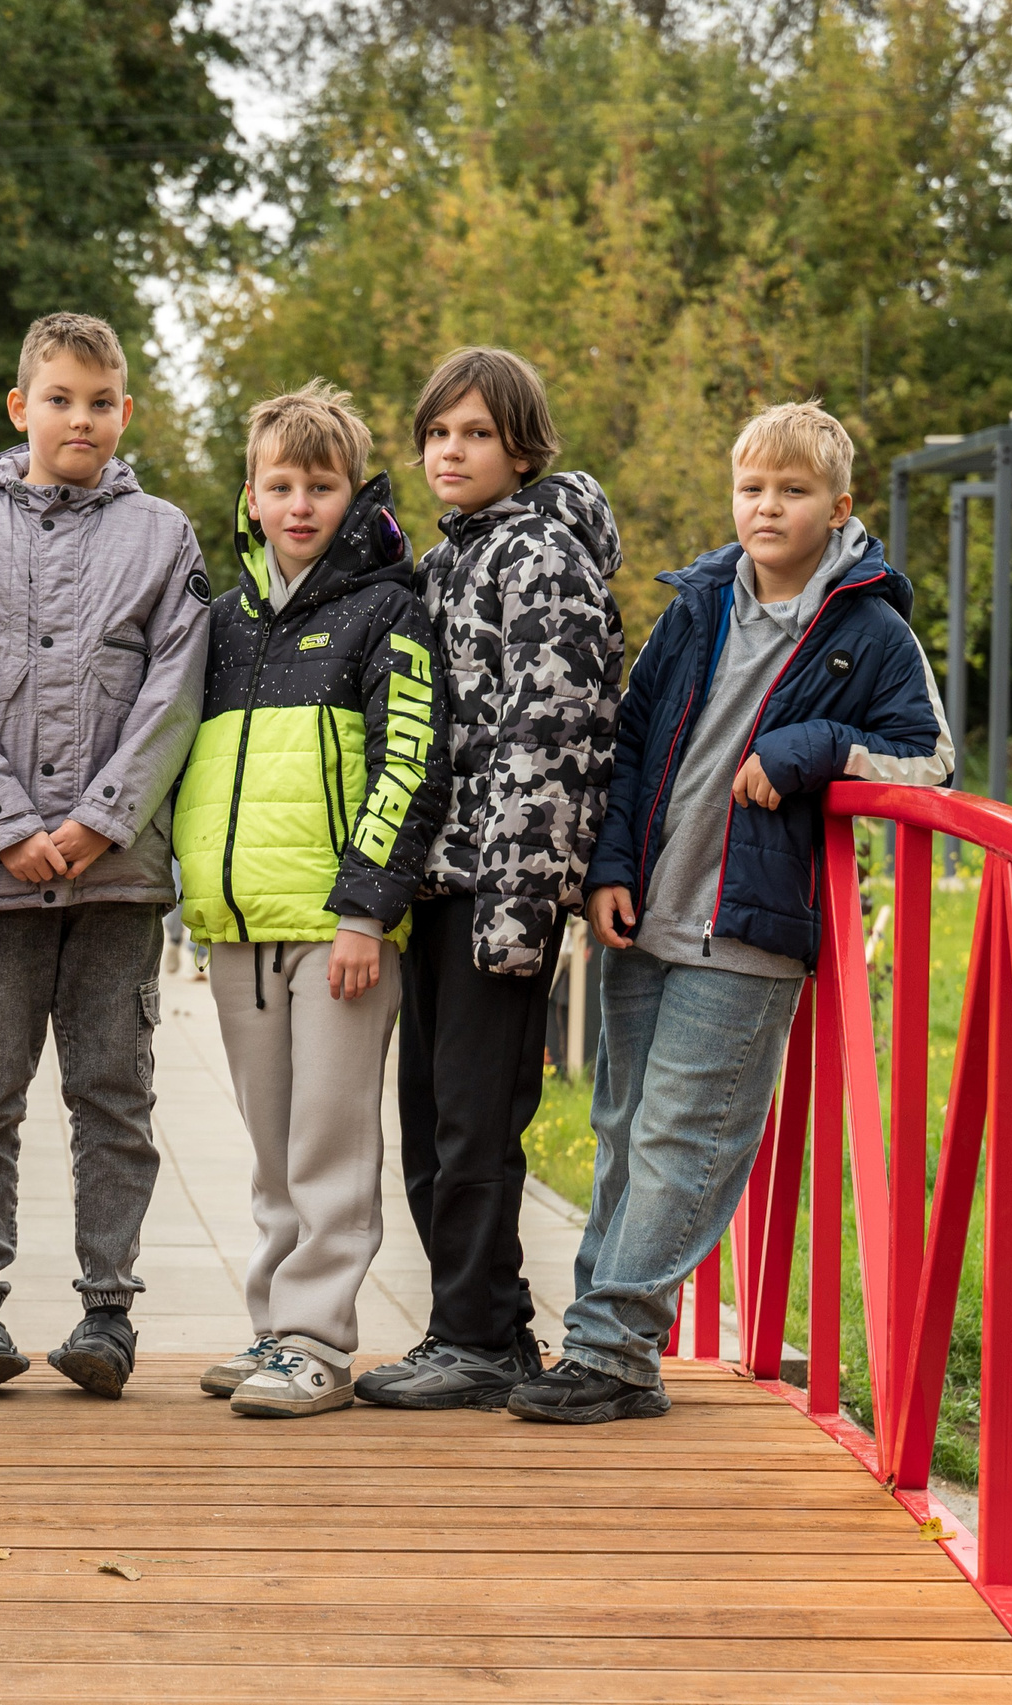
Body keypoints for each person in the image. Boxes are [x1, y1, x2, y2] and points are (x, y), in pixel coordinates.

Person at [510, 401, 952, 1424]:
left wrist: (813, 751)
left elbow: (926, 757)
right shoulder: (700, 602)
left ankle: (612, 1351)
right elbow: (629, 741)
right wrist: (606, 867)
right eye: (751, 488)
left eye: (791, 491)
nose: (767, 507)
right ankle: (600, 1338)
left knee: (679, 1135)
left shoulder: (868, 630)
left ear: (838, 507)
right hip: (650, 907)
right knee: (620, 1129)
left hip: (748, 928)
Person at [0, 311, 212, 1399]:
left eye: (99, 402)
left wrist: (99, 820)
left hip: (117, 875)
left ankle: (106, 1308)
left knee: (112, 1093)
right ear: (20, 407)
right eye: (58, 399)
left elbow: (171, 694)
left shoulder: (162, 535)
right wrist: (5, 825)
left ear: (124, 412)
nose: (78, 419)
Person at [357, 347, 627, 1413]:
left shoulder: (541, 561)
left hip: (496, 893)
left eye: (472, 433)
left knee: (473, 1121)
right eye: (435, 434)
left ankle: (479, 1335)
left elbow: (548, 741)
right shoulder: (448, 558)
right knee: (428, 1116)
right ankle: (480, 1326)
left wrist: (516, 913)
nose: (449, 451)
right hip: (437, 882)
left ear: (521, 446)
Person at [175, 382, 446, 1418]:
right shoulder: (221, 620)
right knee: (271, 1143)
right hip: (240, 927)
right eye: (279, 484)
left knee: (331, 1140)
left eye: (320, 485)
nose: (299, 504)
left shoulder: (388, 610)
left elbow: (409, 759)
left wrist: (365, 910)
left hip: (339, 930)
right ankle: (272, 1324)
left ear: (353, 492)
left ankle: (319, 1339)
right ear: (249, 493)